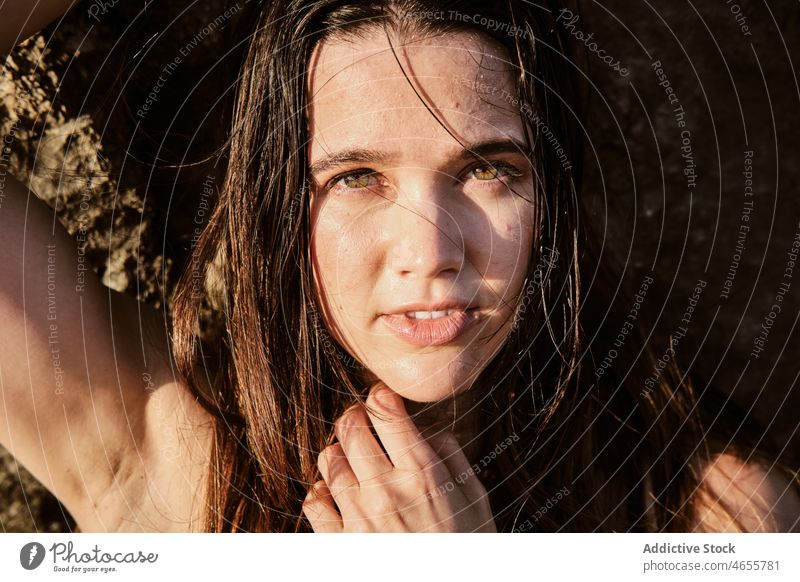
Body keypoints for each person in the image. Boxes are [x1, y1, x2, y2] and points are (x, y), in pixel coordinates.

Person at [1, 0, 798, 533]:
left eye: (487, 169)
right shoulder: (170, 465)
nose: (431, 254)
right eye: (355, 178)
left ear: (552, 193)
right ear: (279, 208)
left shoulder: (711, 515)